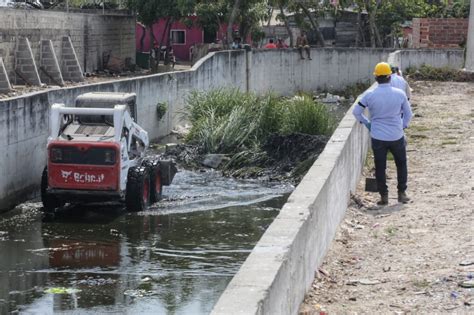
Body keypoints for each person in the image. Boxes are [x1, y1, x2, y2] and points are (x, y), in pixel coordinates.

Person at [353, 62, 413, 205]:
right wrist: (402, 126)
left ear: (376, 78)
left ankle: (384, 197)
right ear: (389, 77)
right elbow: (408, 114)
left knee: (380, 166)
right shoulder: (400, 94)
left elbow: (356, 112)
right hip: (396, 135)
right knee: (401, 164)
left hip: (378, 136)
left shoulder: (369, 95)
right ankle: (402, 193)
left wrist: (367, 123)